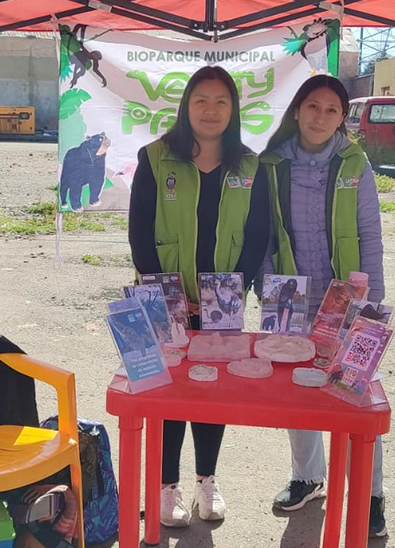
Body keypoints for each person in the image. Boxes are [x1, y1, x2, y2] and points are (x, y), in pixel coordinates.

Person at [128, 65, 271, 527]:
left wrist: (232, 291)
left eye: (221, 101)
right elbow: (140, 234)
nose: (211, 111)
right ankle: (165, 485)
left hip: (222, 302)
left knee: (213, 388)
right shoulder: (154, 158)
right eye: (201, 100)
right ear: (186, 106)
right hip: (165, 300)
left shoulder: (251, 166)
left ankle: (206, 481)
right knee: (167, 388)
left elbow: (257, 235)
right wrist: (168, 297)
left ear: (234, 110)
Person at [259, 75, 388, 537]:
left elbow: (369, 234)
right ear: (297, 110)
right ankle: (308, 478)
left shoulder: (355, 163)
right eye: (313, 107)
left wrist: (371, 303)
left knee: (355, 394)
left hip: (347, 301)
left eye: (331, 110)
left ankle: (370, 496)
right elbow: (266, 237)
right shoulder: (271, 165)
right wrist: (267, 288)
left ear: (342, 118)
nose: (320, 117)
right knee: (300, 390)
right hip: (293, 300)